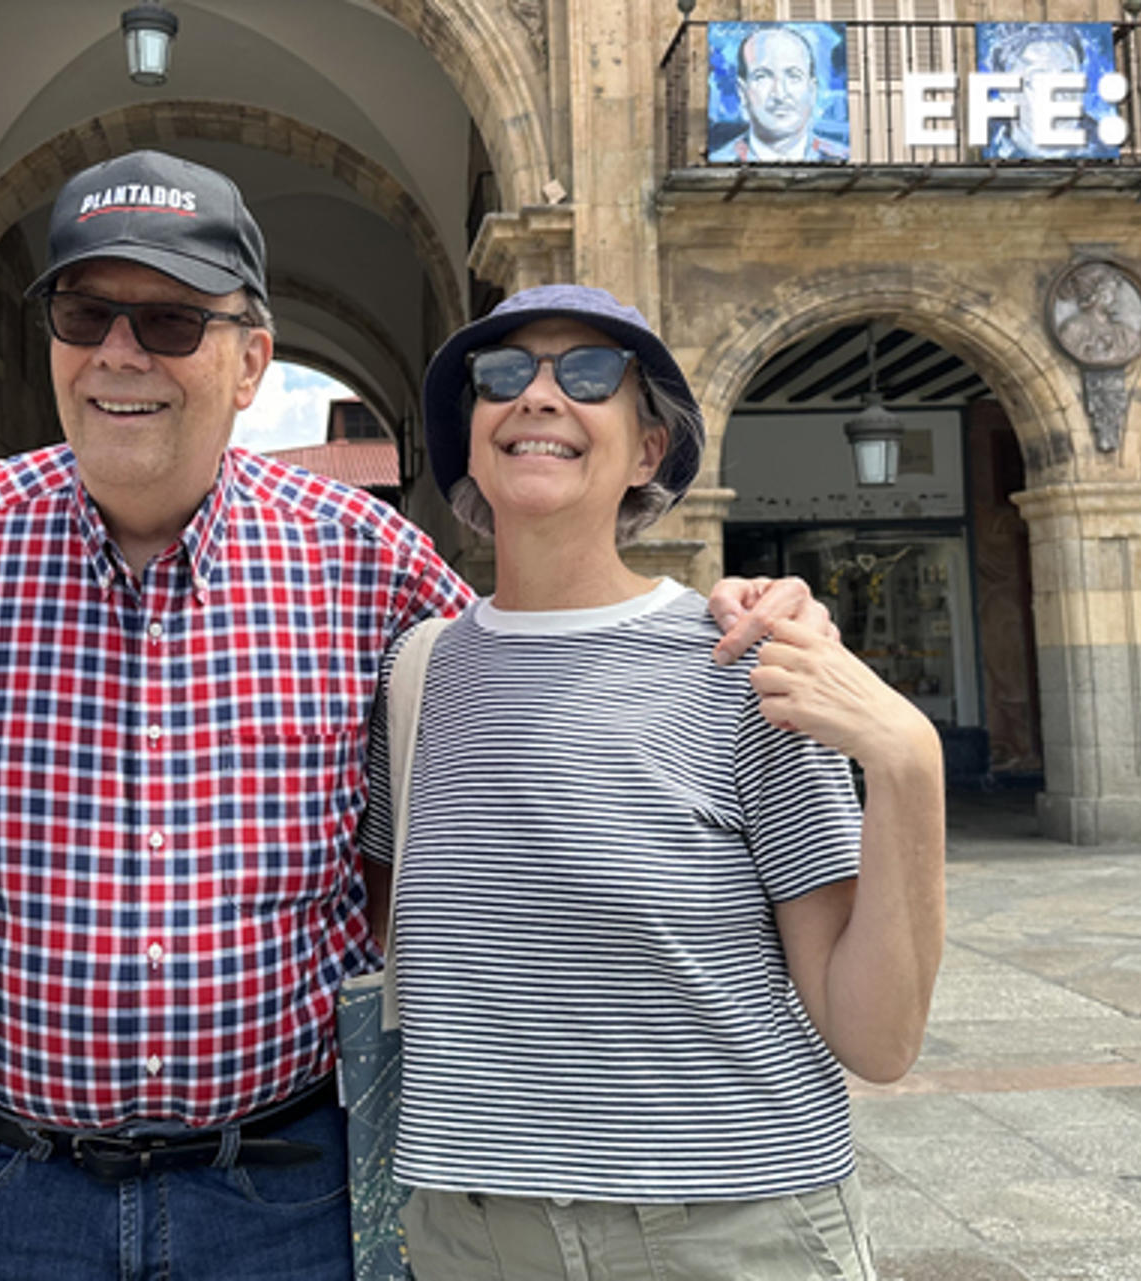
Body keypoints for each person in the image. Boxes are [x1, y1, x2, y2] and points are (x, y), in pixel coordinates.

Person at [0, 150, 833, 1281]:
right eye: (87, 316)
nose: (121, 351)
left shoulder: (365, 563)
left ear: (251, 359)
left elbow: (532, 666)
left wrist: (734, 618)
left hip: (283, 1193)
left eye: (172, 321)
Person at [367, 284, 946, 1278]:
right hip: (471, 1236)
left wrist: (909, 763)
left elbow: (876, 1038)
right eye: (503, 375)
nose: (540, 396)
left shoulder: (743, 661)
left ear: (646, 450)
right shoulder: (418, 675)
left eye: (589, 374)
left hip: (728, 1230)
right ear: (469, 437)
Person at [710, 25, 849, 163]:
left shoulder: (842, 159)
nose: (779, 94)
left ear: (812, 91)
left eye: (793, 76)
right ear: (742, 92)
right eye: (762, 76)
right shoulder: (719, 161)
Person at [980, 24, 1098, 161]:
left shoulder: (1104, 141)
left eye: (1068, 78)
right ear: (1007, 92)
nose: (1059, 95)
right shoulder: (987, 140)